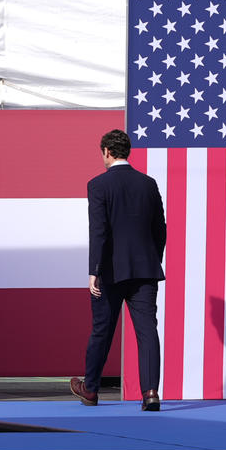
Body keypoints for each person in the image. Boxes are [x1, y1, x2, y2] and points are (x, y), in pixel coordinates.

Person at [70, 129, 166, 411]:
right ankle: (150, 393)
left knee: (102, 330)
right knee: (147, 330)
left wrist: (94, 270)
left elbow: (98, 231)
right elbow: (160, 229)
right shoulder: (148, 184)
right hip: (145, 270)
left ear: (107, 152)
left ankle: (90, 389)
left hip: (109, 271)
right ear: (127, 152)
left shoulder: (98, 185)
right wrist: (151, 259)